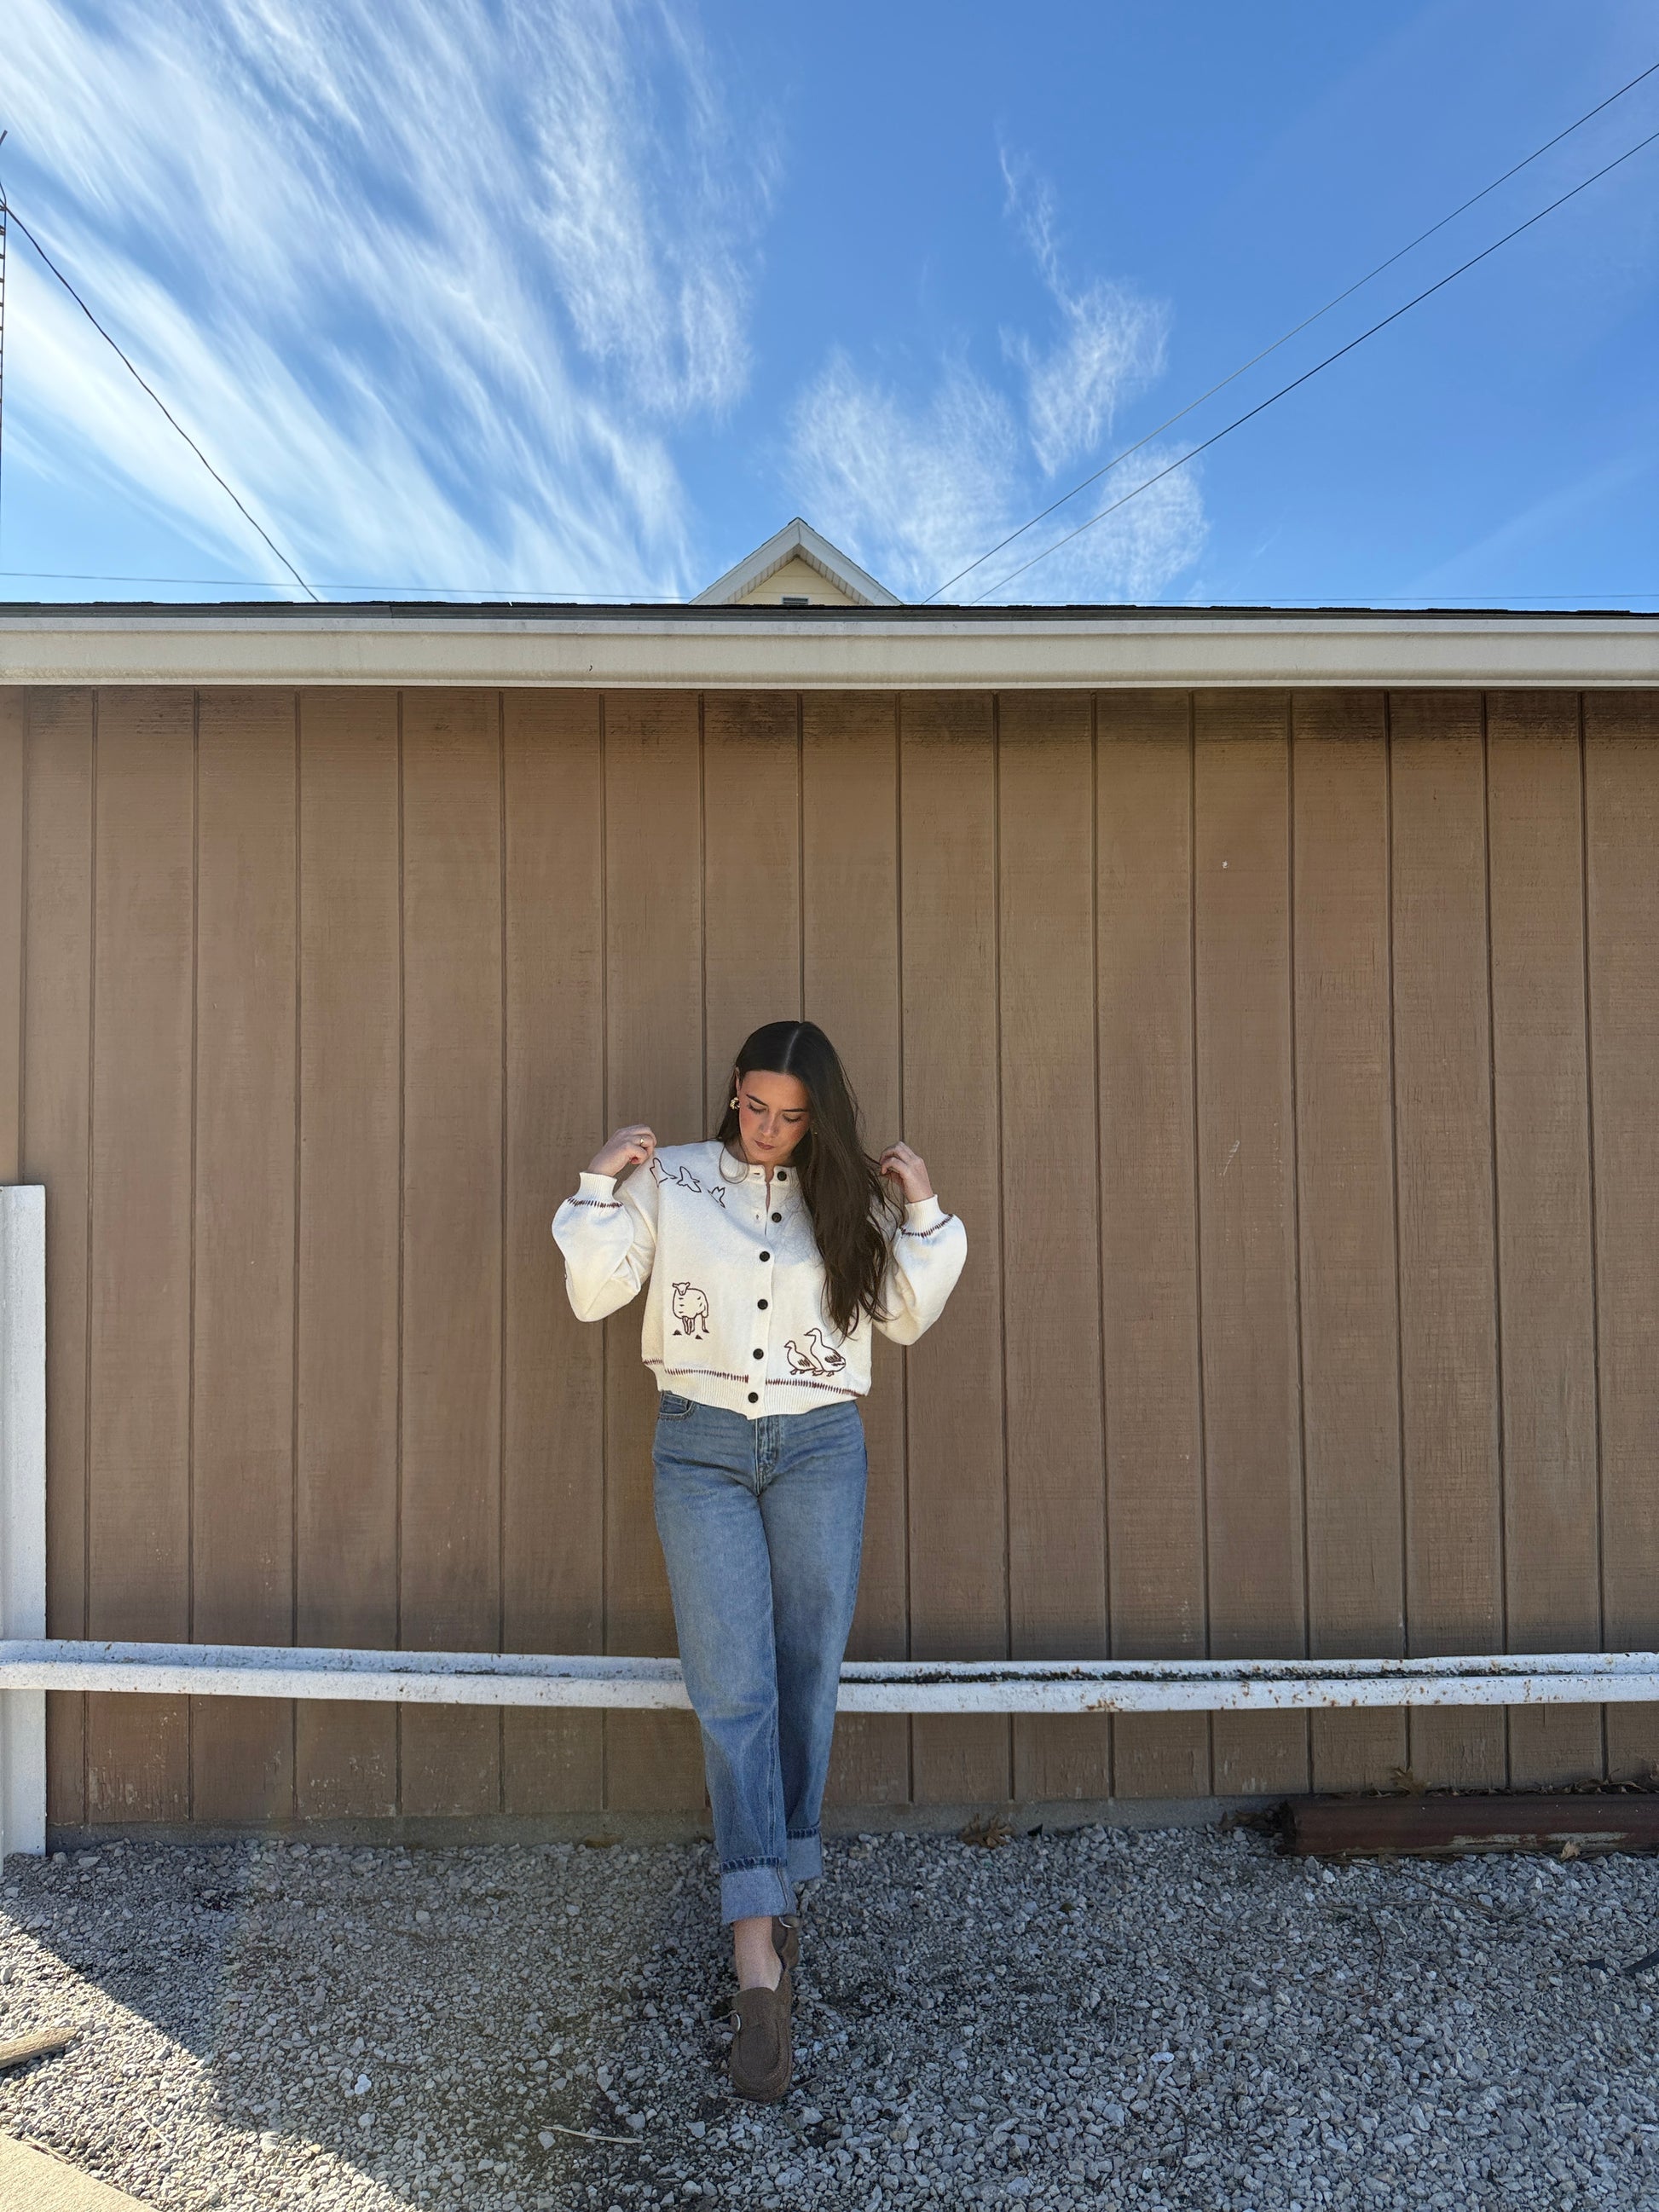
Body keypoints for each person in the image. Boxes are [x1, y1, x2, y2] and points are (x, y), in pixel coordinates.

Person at [552, 1019, 967, 2101]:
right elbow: (595, 1293)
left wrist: (921, 1211)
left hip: (819, 1444)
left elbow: (904, 1317)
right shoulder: (675, 1181)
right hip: (698, 1449)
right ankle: (755, 1954)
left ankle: (773, 1892)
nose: (768, 1131)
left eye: (790, 1116)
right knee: (729, 1685)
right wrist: (598, 1186)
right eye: (754, 1107)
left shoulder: (850, 1200)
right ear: (733, 1089)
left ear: (816, 1114)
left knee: (803, 1673)